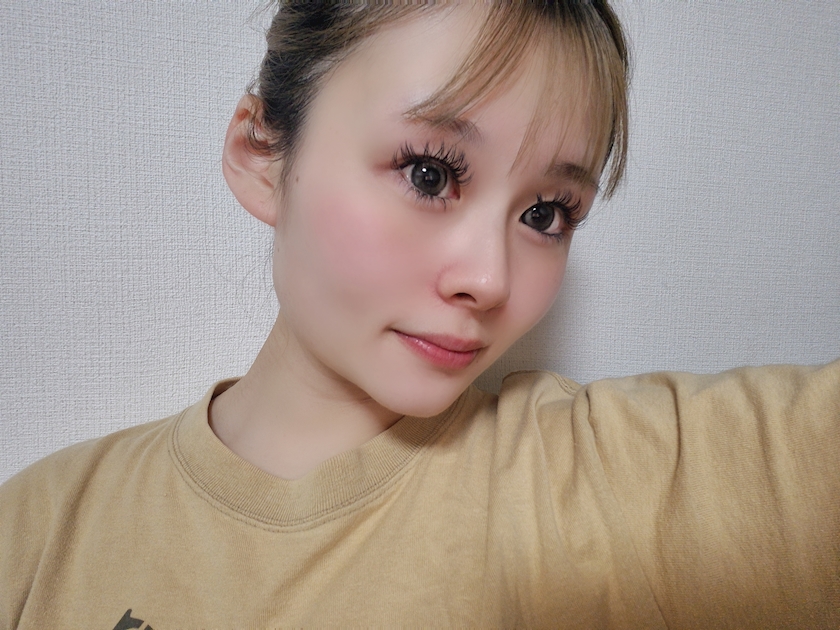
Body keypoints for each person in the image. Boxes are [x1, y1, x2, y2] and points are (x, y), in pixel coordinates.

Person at [0, 2, 837, 628]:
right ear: (262, 153)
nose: (489, 278)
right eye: (430, 174)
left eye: (545, 213)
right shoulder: (36, 534)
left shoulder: (587, 487)